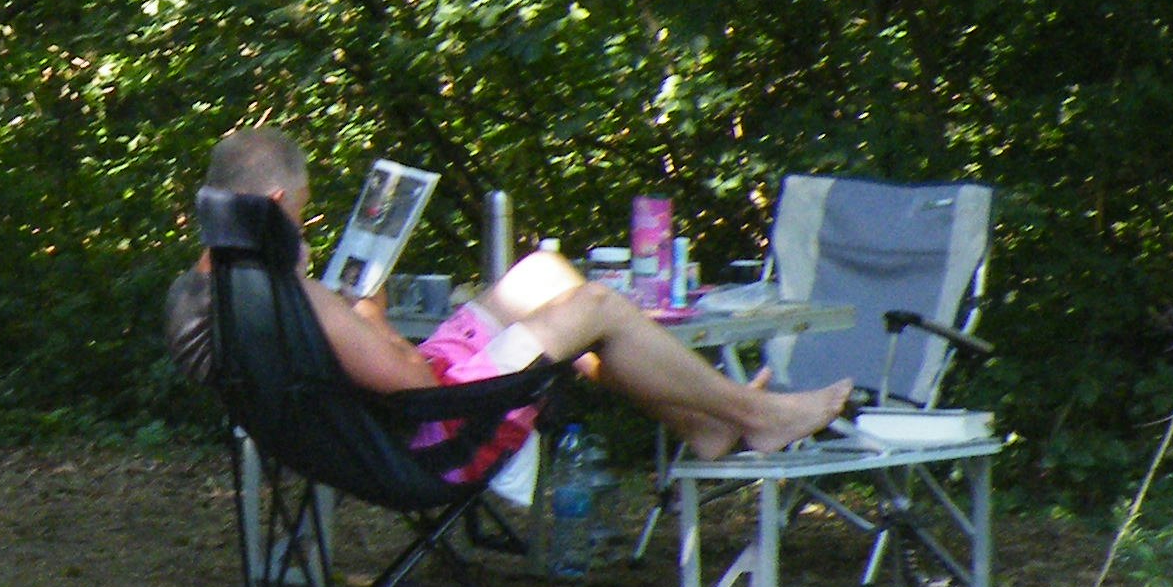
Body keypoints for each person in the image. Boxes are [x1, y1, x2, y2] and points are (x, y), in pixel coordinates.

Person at [164, 125, 851, 483]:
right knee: (598, 306)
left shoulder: (204, 292)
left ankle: (701, 428)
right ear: (278, 204)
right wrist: (366, 308)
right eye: (304, 214)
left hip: (370, 422)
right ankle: (755, 414)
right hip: (431, 432)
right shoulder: (290, 293)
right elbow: (408, 382)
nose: (304, 228)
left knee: (543, 272)